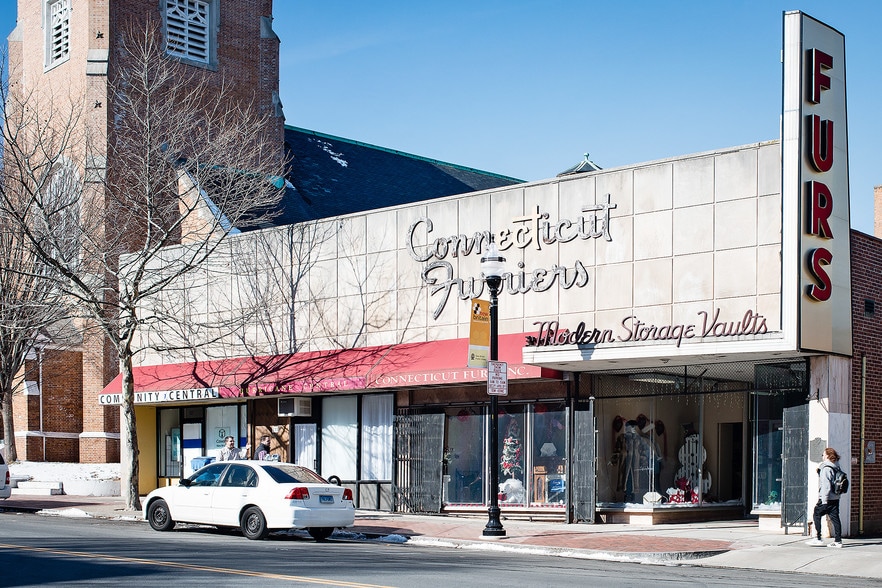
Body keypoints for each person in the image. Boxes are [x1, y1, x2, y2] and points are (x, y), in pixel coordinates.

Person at [805, 447, 844, 548]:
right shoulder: (836, 467)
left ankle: (818, 538)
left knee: (816, 514)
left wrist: (824, 500)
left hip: (826, 498)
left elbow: (826, 485)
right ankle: (838, 541)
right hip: (836, 497)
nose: (822, 456)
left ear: (827, 456)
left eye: (823, 455)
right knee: (835, 519)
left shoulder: (826, 468)